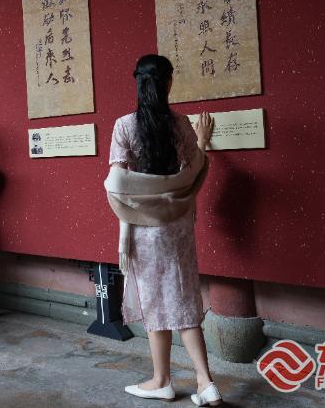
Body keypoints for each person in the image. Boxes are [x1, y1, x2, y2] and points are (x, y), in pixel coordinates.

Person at [104, 55, 221, 406]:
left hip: (143, 227)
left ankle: (161, 380)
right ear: (169, 83)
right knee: (183, 296)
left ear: (138, 84)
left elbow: (118, 183)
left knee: (154, 301)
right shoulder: (181, 124)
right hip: (178, 223)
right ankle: (205, 382)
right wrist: (202, 140)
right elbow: (195, 168)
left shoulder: (124, 125)